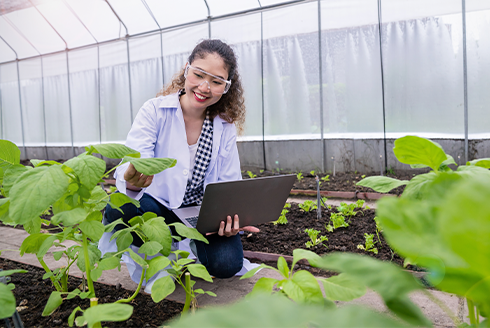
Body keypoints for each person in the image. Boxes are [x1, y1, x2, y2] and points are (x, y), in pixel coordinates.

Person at [104, 39, 259, 279]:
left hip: (201, 216)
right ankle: (162, 253)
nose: (205, 87)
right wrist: (133, 180)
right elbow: (135, 164)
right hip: (157, 208)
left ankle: (188, 248)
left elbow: (229, 184)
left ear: (226, 87)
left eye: (217, 82)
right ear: (187, 70)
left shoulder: (224, 125)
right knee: (121, 206)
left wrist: (231, 219)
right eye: (199, 75)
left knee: (227, 265)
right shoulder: (154, 111)